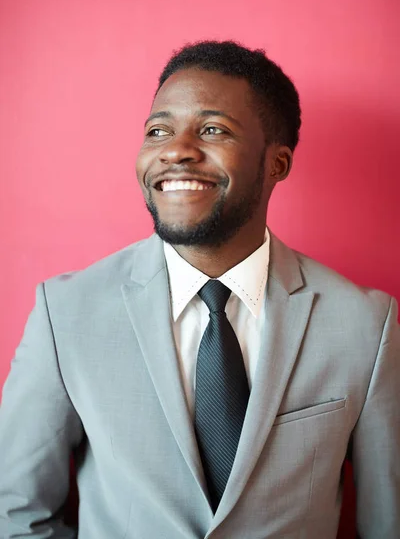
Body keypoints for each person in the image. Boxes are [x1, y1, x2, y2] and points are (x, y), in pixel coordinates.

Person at [0, 40, 399, 539]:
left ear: (276, 164)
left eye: (213, 129)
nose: (175, 149)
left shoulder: (366, 324)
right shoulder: (65, 314)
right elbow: (16, 514)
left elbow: (388, 523)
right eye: (158, 130)